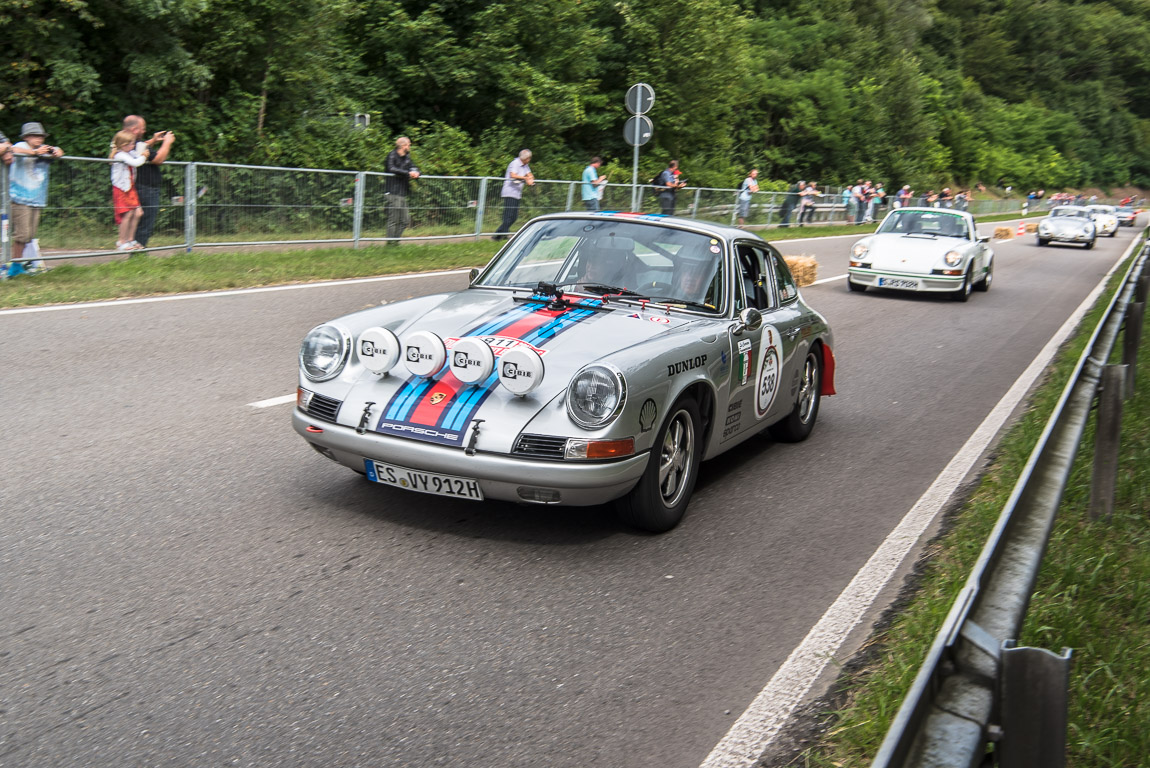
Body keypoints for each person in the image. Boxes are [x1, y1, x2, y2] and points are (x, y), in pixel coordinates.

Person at [8, 122, 64, 266]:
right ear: (27, 137)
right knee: (22, 234)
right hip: (20, 198)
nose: (39, 139)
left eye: (41, 136)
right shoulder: (23, 146)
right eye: (35, 136)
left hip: (37, 199)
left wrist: (56, 152)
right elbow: (13, 149)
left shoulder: (43, 149)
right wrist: (34, 153)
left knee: (30, 235)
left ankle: (22, 263)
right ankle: (15, 265)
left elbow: (58, 151)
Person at [122, 115, 175, 249]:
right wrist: (167, 142)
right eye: (142, 129)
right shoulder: (135, 143)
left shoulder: (126, 143)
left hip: (139, 187)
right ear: (134, 129)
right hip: (146, 188)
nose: (144, 131)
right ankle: (138, 255)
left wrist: (153, 140)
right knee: (145, 223)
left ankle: (136, 252)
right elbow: (158, 159)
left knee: (140, 221)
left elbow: (140, 148)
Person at [110, 129, 148, 250]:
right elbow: (136, 163)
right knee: (127, 214)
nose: (134, 145)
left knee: (138, 212)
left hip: (130, 188)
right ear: (123, 145)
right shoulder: (120, 155)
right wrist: (143, 157)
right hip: (121, 189)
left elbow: (138, 156)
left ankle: (130, 239)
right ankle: (121, 241)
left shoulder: (130, 153)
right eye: (132, 143)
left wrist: (143, 152)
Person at [385, 136, 420, 243]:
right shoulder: (392, 155)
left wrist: (416, 172)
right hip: (392, 192)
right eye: (409, 144)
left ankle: (395, 241)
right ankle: (390, 243)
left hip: (402, 192)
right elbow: (391, 168)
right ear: (403, 145)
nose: (409, 146)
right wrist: (408, 173)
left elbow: (413, 167)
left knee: (405, 220)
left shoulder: (407, 157)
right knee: (394, 220)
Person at [493, 149, 533, 240]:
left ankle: (498, 234)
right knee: (508, 215)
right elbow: (513, 175)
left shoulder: (525, 166)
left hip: (517, 193)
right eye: (529, 158)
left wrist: (530, 179)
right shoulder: (515, 163)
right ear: (525, 158)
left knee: (514, 217)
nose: (529, 160)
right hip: (510, 192)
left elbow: (530, 175)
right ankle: (502, 236)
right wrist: (525, 178)